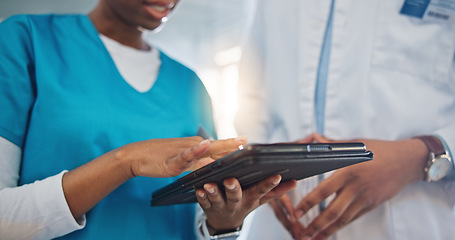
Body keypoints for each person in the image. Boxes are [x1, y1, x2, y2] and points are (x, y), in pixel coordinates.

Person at [0, 0, 296, 239]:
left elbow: (197, 224)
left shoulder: (190, 85)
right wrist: (127, 160)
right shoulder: (25, 40)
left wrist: (222, 224)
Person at [235, 0, 455, 239]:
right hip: (279, 227)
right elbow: (252, 93)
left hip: (407, 221)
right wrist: (259, 163)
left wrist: (418, 157)